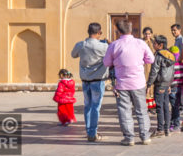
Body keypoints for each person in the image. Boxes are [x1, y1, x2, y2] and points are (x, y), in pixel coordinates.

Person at [103, 18, 154, 146]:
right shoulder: (140, 43)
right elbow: (151, 59)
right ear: (131, 30)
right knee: (142, 110)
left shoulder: (114, 45)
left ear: (119, 31)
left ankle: (129, 137)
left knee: (124, 111)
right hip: (139, 83)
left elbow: (106, 63)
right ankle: (145, 136)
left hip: (122, 84)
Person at [71, 22, 109, 142]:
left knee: (87, 106)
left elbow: (73, 55)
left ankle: (89, 130)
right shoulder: (103, 47)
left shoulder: (81, 45)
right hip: (97, 81)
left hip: (85, 80)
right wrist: (107, 42)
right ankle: (92, 133)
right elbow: (113, 54)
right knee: (95, 107)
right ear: (99, 33)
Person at [147, 34, 177, 137]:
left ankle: (160, 129)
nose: (153, 45)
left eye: (155, 43)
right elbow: (173, 71)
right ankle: (167, 129)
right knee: (165, 106)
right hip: (167, 83)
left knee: (159, 107)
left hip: (159, 84)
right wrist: (169, 84)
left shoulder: (159, 55)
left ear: (160, 45)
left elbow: (154, 71)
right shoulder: (170, 55)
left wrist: (149, 84)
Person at [170, 23, 183, 130]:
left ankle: (176, 122)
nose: (173, 32)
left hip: (180, 68)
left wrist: (180, 61)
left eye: (175, 30)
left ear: (180, 30)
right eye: (172, 30)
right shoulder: (176, 40)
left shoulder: (182, 40)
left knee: (176, 97)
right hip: (177, 67)